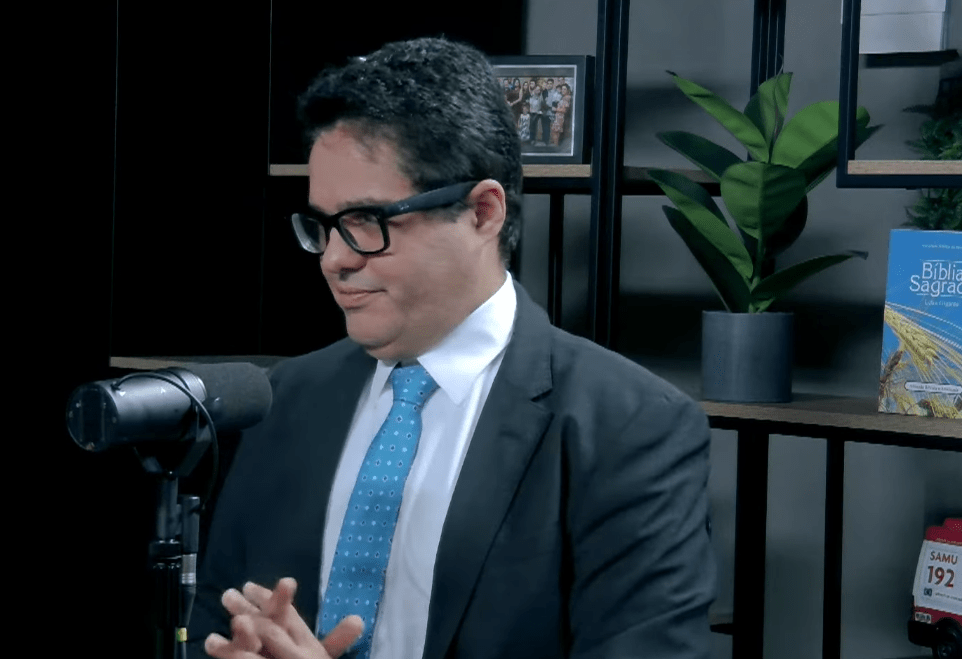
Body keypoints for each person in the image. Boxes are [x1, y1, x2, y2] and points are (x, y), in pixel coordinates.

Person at [189, 36, 715, 659]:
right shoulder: (281, 401)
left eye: (366, 222)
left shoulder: (631, 427)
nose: (334, 260)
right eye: (324, 226)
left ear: (482, 212)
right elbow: (215, 623)